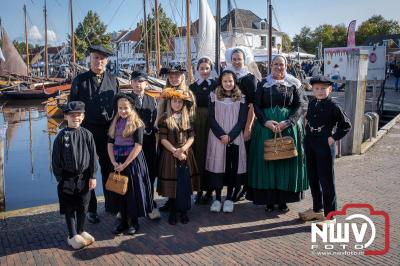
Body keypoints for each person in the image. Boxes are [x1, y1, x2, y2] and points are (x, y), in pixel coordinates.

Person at [247, 55, 308, 213]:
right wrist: (265, 121)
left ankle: (283, 201)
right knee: (267, 162)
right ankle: (268, 200)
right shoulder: (263, 84)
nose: (278, 67)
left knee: (285, 162)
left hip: (287, 128)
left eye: (281, 64)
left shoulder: (294, 83)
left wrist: (288, 122)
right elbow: (257, 106)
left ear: (286, 66)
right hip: (266, 128)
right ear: (270, 66)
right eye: (276, 64)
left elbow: (301, 104)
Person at [69, 45, 119, 223]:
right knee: (87, 170)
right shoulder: (80, 80)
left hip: (108, 131)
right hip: (87, 131)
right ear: (90, 58)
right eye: (96, 58)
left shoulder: (113, 80)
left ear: (107, 61)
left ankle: (112, 204)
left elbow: (118, 107)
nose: (99, 61)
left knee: (109, 168)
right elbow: (72, 107)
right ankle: (90, 209)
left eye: (103, 58)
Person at [299, 76, 351, 228]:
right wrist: (306, 139)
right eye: (316, 88)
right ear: (313, 90)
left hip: (324, 142)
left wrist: (333, 137)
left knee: (326, 180)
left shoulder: (333, 106)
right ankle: (317, 209)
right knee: (313, 178)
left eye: (323, 88)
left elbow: (346, 125)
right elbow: (308, 120)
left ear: (330, 89)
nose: (320, 91)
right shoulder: (313, 102)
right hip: (311, 141)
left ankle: (331, 216)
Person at [52, 101, 97, 249]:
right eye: (72, 115)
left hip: (84, 177)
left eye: (79, 115)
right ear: (66, 117)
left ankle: (81, 230)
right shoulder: (61, 137)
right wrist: (60, 178)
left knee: (83, 206)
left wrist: (93, 176)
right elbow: (56, 160)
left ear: (83, 116)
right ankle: (72, 235)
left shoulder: (87, 134)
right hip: (68, 178)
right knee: (69, 208)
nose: (75, 118)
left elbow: (93, 157)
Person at [107, 93, 153, 235]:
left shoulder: (137, 124)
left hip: (132, 162)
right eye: (120, 108)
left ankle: (134, 222)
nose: (123, 111)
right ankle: (122, 221)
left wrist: (125, 164)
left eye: (126, 108)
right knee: (120, 192)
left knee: (132, 192)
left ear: (131, 107)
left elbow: (138, 146)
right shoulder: (115, 123)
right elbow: (110, 143)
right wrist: (113, 161)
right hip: (118, 161)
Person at [206, 70, 247, 213]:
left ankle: (229, 198)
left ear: (234, 81)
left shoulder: (241, 97)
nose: (228, 84)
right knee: (218, 167)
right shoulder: (213, 96)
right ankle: (217, 198)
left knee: (232, 167)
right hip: (218, 138)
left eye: (230, 81)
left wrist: (230, 136)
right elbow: (211, 118)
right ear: (221, 82)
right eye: (225, 81)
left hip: (234, 138)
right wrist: (222, 135)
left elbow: (242, 120)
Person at [156, 88, 200, 225]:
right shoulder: (164, 118)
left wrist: (182, 150)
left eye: (180, 102)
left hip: (185, 154)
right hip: (170, 154)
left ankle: (184, 211)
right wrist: (175, 151)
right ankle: (173, 210)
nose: (177, 104)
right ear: (170, 103)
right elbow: (163, 139)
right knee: (173, 184)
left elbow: (191, 137)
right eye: (175, 101)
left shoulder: (187, 118)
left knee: (184, 184)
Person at [158, 64, 196, 212]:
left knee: (182, 174)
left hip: (183, 135)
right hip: (166, 135)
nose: (174, 78)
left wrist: (183, 146)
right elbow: (160, 113)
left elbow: (191, 117)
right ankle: (170, 199)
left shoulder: (188, 94)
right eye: (171, 76)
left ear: (182, 77)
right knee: (168, 170)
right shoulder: (164, 92)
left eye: (177, 76)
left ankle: (182, 201)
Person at [224, 47, 258, 201]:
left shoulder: (250, 78)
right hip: (230, 122)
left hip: (244, 122)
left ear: (244, 60)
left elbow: (253, 105)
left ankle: (245, 187)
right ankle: (234, 185)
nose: (237, 62)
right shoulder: (227, 77)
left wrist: (248, 127)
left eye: (239, 59)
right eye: (234, 59)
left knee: (245, 156)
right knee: (233, 156)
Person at [130, 71, 161, 220]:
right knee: (133, 172)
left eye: (141, 81)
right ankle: (132, 202)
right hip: (132, 142)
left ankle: (149, 201)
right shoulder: (127, 99)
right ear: (131, 83)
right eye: (135, 81)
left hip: (149, 141)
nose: (138, 84)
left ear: (146, 84)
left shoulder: (151, 99)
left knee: (151, 171)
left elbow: (155, 118)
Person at [189, 57, 217, 205]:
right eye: (202, 69)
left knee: (211, 154)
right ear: (197, 70)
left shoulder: (216, 85)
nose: (205, 71)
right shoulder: (192, 87)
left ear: (210, 69)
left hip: (213, 122)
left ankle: (210, 191)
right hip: (198, 122)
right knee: (199, 154)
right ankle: (199, 189)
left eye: (207, 68)